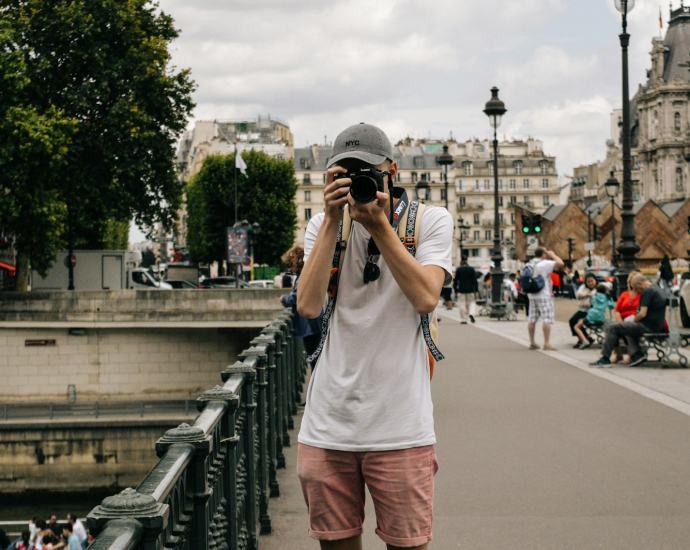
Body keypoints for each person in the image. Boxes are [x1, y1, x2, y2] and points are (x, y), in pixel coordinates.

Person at [296, 123, 453, 550]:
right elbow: (307, 306)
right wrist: (331, 220)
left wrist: (380, 227)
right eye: (344, 172)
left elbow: (425, 297)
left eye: (365, 170)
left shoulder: (429, 221)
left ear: (392, 170)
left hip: (400, 428)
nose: (355, 180)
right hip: (328, 428)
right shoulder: (323, 225)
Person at [591, 275, 667, 367]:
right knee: (627, 329)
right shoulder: (657, 289)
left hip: (648, 326)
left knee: (611, 327)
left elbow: (643, 313)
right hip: (657, 325)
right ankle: (637, 355)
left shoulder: (647, 291)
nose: (637, 291)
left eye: (636, 288)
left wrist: (634, 320)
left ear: (640, 284)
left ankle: (605, 359)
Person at [280, 245, 322, 367]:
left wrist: (284, 299)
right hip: (313, 323)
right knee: (316, 358)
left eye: (289, 265)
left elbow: (298, 297)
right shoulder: (307, 272)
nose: (289, 268)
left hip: (310, 325)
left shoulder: (303, 275)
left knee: (314, 358)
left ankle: (317, 385)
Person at [527, 247, 565, 351]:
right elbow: (560, 263)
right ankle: (546, 343)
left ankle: (532, 342)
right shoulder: (545, 263)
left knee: (532, 319)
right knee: (546, 318)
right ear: (543, 254)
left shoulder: (529, 264)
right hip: (544, 295)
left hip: (532, 295)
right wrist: (552, 255)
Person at [611, 270, 643, 364]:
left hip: (636, 320)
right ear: (630, 282)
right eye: (635, 280)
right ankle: (618, 354)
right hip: (623, 319)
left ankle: (630, 354)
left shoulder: (643, 294)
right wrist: (620, 322)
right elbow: (617, 310)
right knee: (613, 328)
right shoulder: (625, 294)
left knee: (626, 328)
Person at [573, 283, 614, 348]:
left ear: (597, 290)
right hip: (601, 318)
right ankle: (586, 339)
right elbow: (612, 306)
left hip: (591, 316)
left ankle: (584, 340)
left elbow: (590, 302)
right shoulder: (607, 297)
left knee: (576, 327)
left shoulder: (594, 296)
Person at [569, 273, 598, 348]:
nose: (590, 283)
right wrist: (586, 295)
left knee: (576, 322)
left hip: (592, 312)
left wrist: (593, 293)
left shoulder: (598, 288)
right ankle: (584, 338)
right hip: (583, 310)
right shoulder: (583, 287)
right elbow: (578, 294)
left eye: (592, 281)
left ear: (595, 280)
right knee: (572, 320)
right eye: (588, 281)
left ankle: (583, 339)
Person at [454, 256, 478, 324]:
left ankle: (464, 319)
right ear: (467, 260)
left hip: (461, 289)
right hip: (470, 289)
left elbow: (456, 281)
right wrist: (476, 290)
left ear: (461, 260)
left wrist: (455, 290)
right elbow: (475, 280)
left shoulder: (459, 269)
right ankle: (471, 313)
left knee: (461, 304)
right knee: (472, 303)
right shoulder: (471, 269)